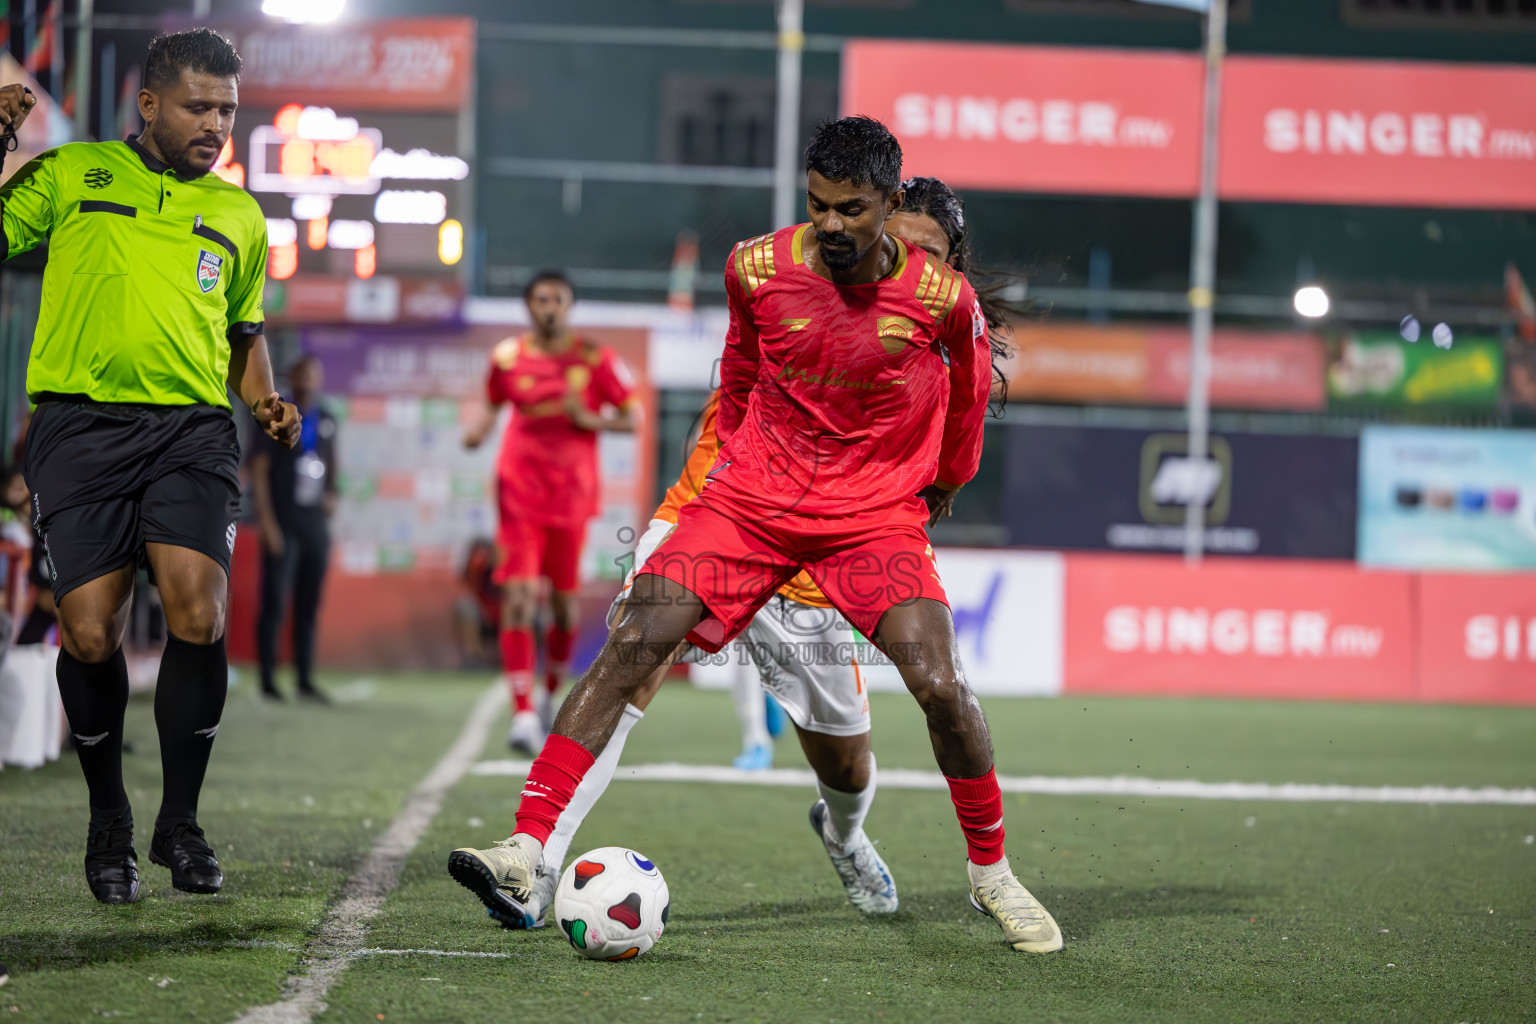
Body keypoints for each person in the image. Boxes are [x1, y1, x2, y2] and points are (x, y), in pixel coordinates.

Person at [447, 119, 1062, 953]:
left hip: (867, 522)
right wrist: (733, 476)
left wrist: (940, 486)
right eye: (819, 207)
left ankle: (974, 869)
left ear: (889, 208)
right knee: (635, 642)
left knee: (929, 697)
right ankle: (528, 850)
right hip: (747, 505)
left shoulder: (942, 304)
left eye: (853, 210)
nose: (833, 225)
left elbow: (968, 405)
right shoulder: (756, 267)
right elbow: (736, 377)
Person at [0, 28, 299, 905]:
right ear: (150, 104)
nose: (216, 124)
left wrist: (265, 400)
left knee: (197, 613)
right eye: (200, 107)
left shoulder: (241, 215)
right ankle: (109, 824)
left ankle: (181, 825)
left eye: (229, 111)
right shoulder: (70, 174)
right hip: (77, 429)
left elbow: (245, 335)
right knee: (90, 632)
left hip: (192, 434)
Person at [463, 271, 639, 754]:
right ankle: (522, 714)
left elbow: (633, 417)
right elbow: (491, 403)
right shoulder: (507, 358)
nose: (548, 307)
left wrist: (591, 419)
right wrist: (477, 430)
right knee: (518, 597)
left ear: (569, 305)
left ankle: (549, 695)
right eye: (540, 299)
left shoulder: (594, 359)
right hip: (519, 492)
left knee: (562, 605)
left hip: (571, 497)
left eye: (557, 299)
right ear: (528, 306)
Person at [250, 354, 337, 702]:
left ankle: (304, 678)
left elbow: (333, 459)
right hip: (282, 518)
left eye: (315, 374)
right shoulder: (278, 413)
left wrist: (333, 492)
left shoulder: (327, 417)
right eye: (303, 374)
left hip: (313, 519)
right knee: (274, 600)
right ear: (293, 377)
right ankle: (268, 679)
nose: (310, 381)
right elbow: (258, 469)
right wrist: (267, 523)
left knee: (308, 601)